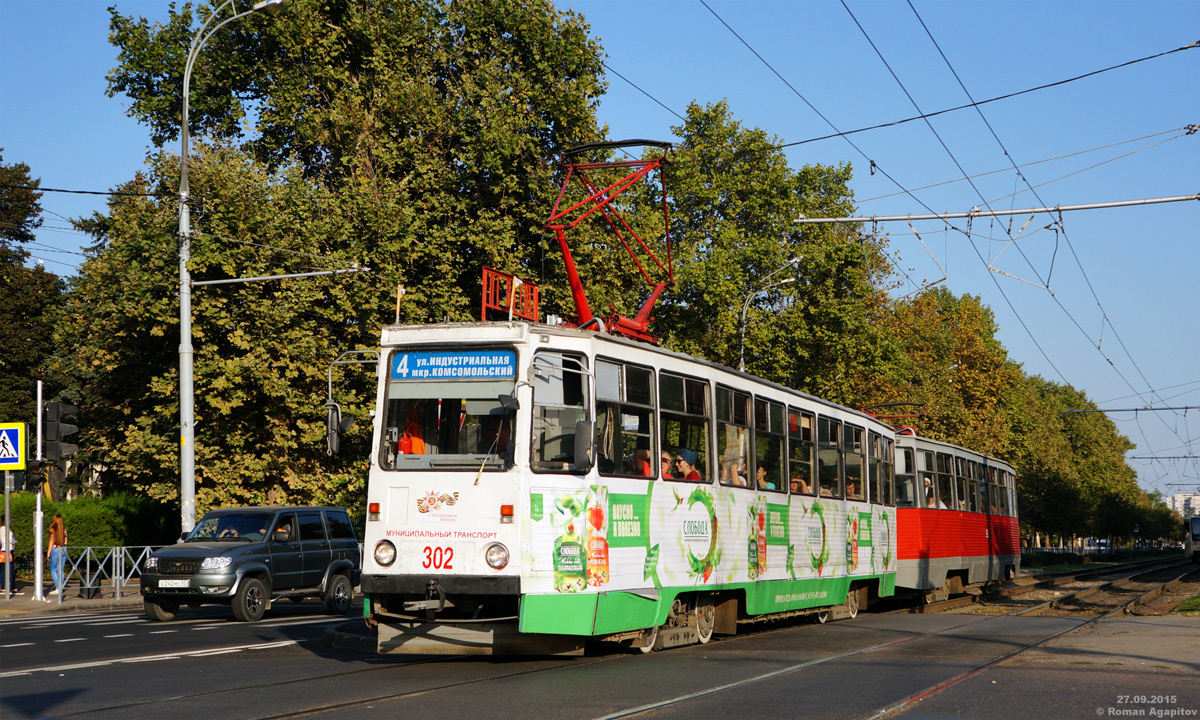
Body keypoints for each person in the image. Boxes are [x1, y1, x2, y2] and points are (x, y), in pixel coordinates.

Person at [47, 513, 67, 597]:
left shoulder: (53, 530)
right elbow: (66, 542)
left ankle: (58, 588)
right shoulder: (64, 530)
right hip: (64, 549)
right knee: (60, 569)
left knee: (53, 569)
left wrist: (48, 554)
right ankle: (60, 587)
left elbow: (51, 542)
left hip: (55, 550)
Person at [1, 521, 17, 593]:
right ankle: (8, 586)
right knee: (9, 569)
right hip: (8, 550)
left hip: (3, 549)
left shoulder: (1, 529)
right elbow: (11, 540)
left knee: (4, 569)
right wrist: (15, 541)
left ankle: (6, 586)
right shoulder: (6, 529)